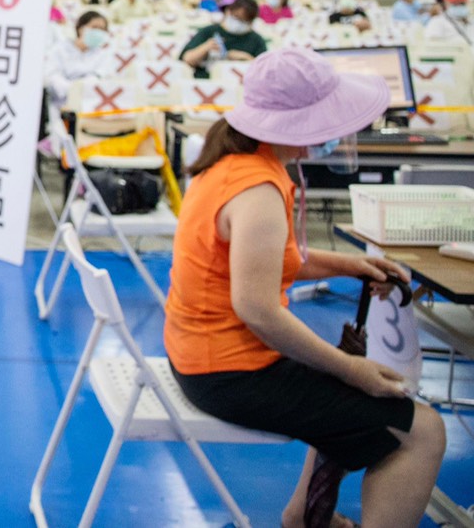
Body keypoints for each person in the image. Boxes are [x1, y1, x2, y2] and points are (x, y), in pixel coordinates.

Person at [164, 47, 445, 528]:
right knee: (423, 431)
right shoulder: (256, 191)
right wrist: (353, 371)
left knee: (335, 390)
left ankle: (303, 516)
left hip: (200, 353)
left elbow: (274, 261)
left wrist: (355, 265)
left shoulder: (235, 162)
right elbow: (258, 310)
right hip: (230, 372)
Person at [181, 0, 267, 79]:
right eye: (237, 17)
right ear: (228, 12)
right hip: (205, 81)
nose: (239, 23)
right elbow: (186, 59)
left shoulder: (257, 40)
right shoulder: (209, 31)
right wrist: (205, 48)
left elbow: (264, 72)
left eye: (244, 21)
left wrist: (246, 59)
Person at [44, 11, 112, 105]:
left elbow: (97, 77)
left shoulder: (103, 54)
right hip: (59, 101)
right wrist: (69, 89)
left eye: (102, 29)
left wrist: (78, 89)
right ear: (81, 28)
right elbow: (53, 74)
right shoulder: (59, 49)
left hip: (88, 101)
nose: (98, 32)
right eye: (94, 27)